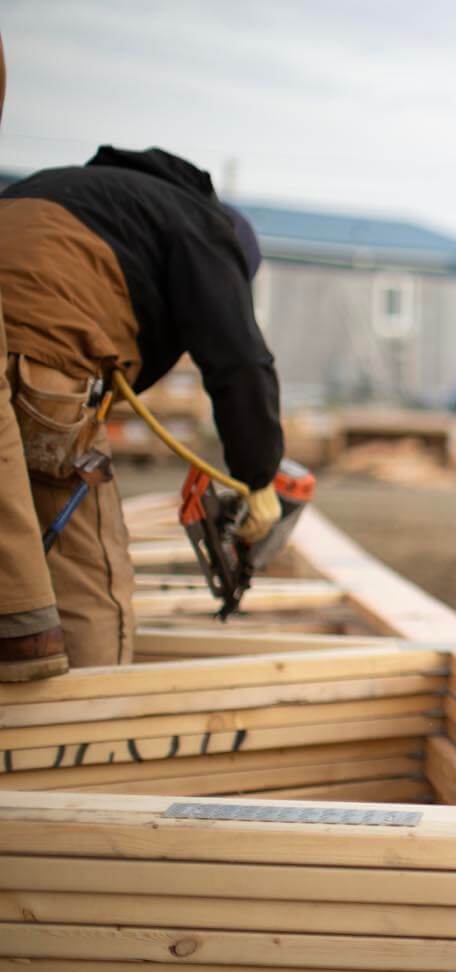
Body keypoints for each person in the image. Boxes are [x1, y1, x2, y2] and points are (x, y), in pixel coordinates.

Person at [0, 146, 284, 680]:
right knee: (88, 577)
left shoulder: (73, 191)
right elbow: (239, 359)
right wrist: (257, 475)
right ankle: (91, 733)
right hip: (39, 352)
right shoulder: (203, 227)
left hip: (20, 337)